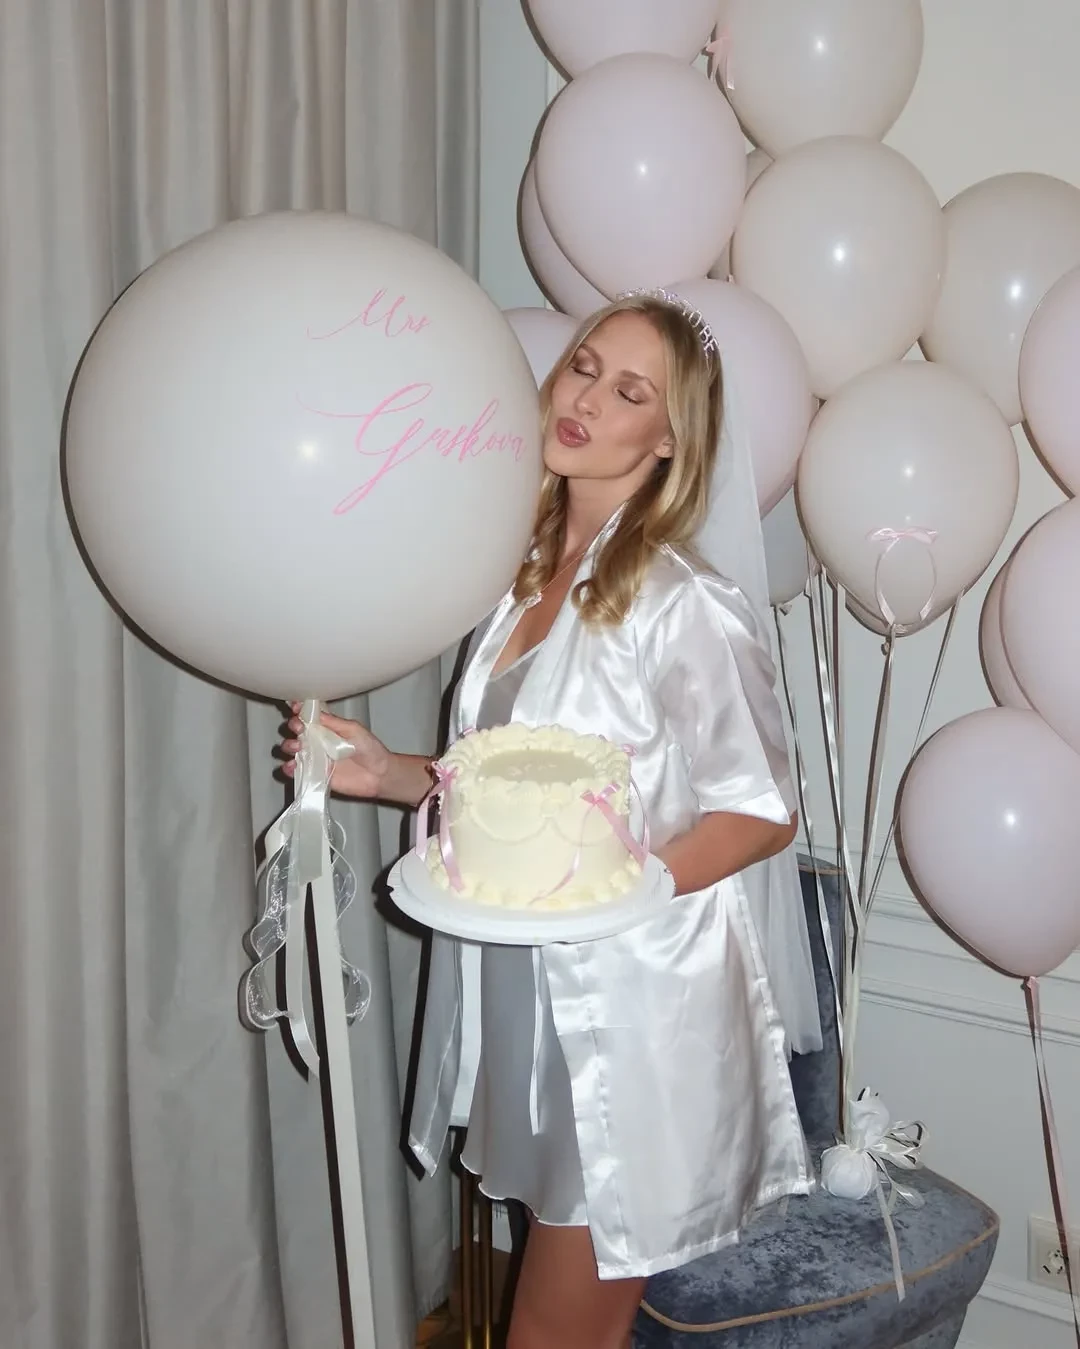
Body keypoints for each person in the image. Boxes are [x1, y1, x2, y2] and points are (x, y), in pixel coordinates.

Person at [281, 292, 819, 1349]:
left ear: (668, 440)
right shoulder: (523, 571)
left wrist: (620, 887)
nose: (587, 398)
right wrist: (389, 773)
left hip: (631, 1011)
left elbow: (763, 813)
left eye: (630, 392)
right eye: (584, 366)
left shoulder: (681, 602)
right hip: (528, 994)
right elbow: (519, 788)